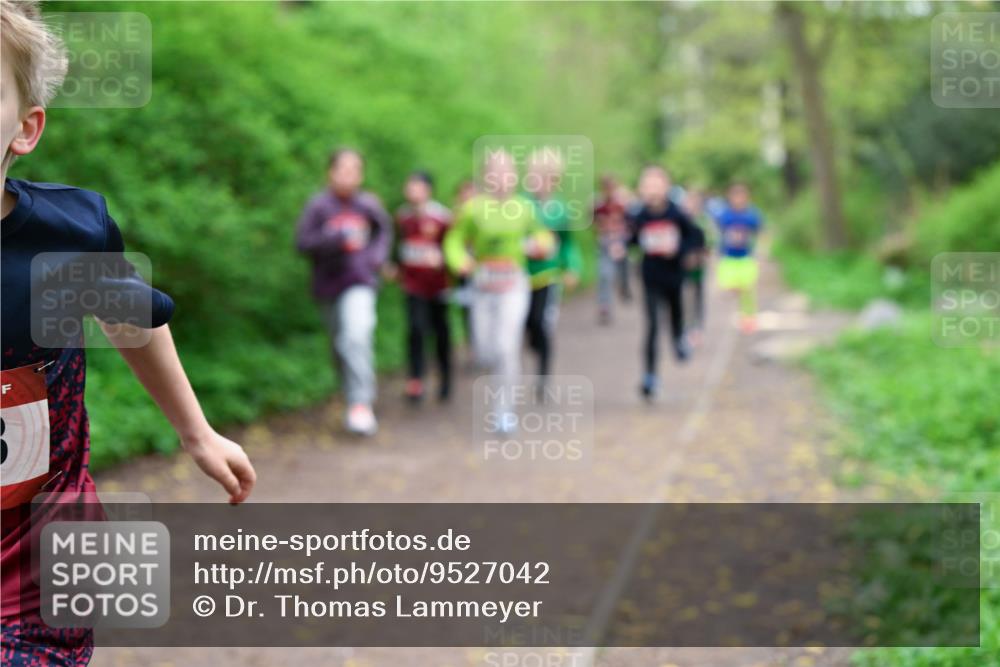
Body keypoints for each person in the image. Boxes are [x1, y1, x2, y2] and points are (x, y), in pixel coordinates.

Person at [1, 3, 256, 663]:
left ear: (25, 129)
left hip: (38, 567)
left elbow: (129, 317)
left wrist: (196, 431)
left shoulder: (70, 233)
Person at [443, 150, 554, 432]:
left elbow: (542, 234)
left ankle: (504, 412)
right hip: (482, 286)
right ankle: (494, 378)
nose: (503, 178)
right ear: (486, 177)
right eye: (496, 172)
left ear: (515, 177)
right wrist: (460, 261)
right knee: (484, 350)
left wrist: (541, 245)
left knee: (507, 347)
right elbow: (454, 240)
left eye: (508, 172)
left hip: (514, 285)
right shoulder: (472, 209)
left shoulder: (524, 208)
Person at [296, 148, 392, 435]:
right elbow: (302, 243)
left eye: (355, 170)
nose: (349, 175)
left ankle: (361, 404)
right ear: (331, 172)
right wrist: (337, 239)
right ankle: (352, 394)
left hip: (360, 281)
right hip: (328, 285)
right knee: (340, 345)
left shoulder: (368, 205)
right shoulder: (318, 206)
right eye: (343, 169)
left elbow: (383, 232)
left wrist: (376, 258)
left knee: (356, 335)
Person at [628, 165, 703, 400]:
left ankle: (679, 340)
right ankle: (649, 376)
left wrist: (681, 250)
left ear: (666, 187)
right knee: (651, 325)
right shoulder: (639, 216)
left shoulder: (676, 214)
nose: (652, 190)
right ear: (641, 189)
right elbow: (631, 239)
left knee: (675, 314)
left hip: (674, 276)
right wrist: (623, 246)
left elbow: (695, 237)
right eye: (647, 186)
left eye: (656, 185)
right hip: (650, 276)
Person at [393, 171, 453, 403]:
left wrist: (443, 259)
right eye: (409, 186)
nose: (412, 191)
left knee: (440, 333)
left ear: (428, 189)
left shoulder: (442, 217)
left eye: (417, 186)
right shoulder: (402, 217)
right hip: (412, 284)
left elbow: (455, 247)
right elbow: (397, 246)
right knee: (415, 330)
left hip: (438, 286)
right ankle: (415, 380)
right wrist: (396, 267)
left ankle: (445, 378)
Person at [523, 148, 581, 385]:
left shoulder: (561, 211)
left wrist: (572, 268)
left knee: (541, 322)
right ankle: (535, 345)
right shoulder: (520, 206)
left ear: (554, 180)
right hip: (522, 276)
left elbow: (568, 244)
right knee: (526, 323)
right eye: (535, 175)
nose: (539, 181)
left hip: (548, 276)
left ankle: (543, 375)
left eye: (545, 176)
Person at [715, 182, 763, 333]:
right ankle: (737, 316)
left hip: (746, 257)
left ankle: (748, 319)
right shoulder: (725, 215)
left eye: (741, 195)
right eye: (735, 195)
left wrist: (760, 250)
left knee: (748, 290)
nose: (738, 199)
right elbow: (718, 232)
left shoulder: (751, 215)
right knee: (730, 287)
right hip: (729, 257)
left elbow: (760, 231)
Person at [593, 174, 632, 324]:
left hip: (620, 240)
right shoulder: (598, 205)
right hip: (605, 241)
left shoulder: (621, 205)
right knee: (605, 274)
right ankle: (605, 305)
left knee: (623, 269)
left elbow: (629, 222)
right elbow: (593, 222)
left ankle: (624, 289)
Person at [680, 187, 710, 345]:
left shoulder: (703, 223)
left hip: (697, 268)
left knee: (697, 297)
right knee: (684, 299)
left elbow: (708, 245)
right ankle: (685, 328)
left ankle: (697, 328)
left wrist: (700, 257)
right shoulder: (679, 222)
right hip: (682, 268)